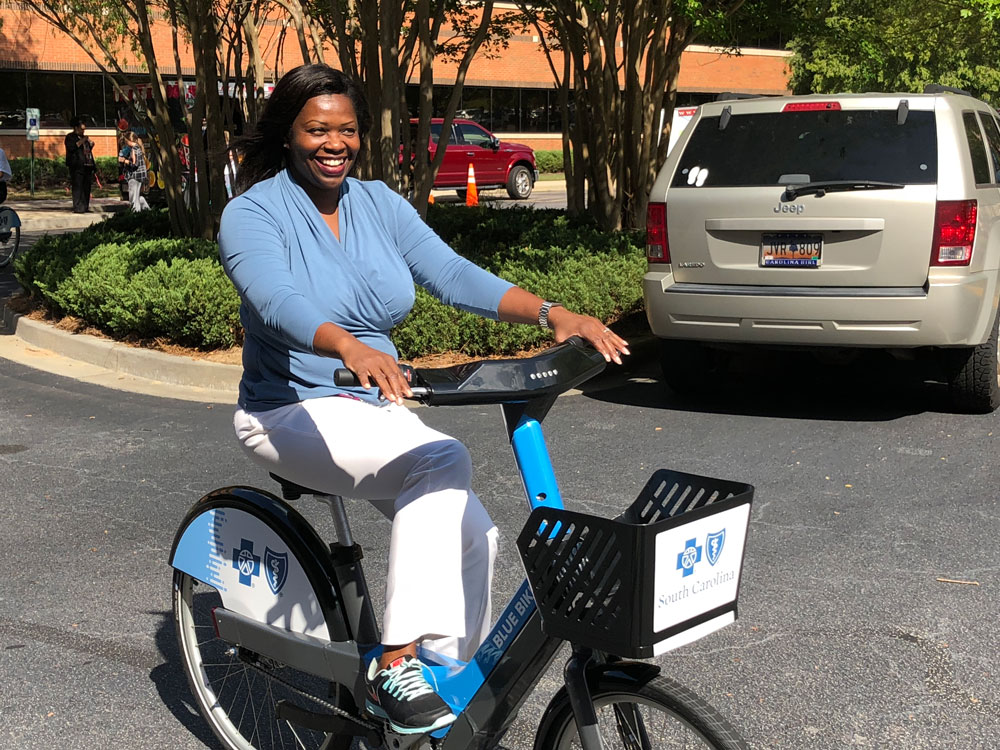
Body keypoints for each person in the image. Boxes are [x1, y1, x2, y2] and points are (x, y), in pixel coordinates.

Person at [218, 63, 629, 736]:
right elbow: (275, 298)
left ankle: (434, 706)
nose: (334, 143)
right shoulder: (252, 214)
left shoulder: (377, 203)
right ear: (288, 134)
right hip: (287, 410)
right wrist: (347, 345)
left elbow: (450, 273)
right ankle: (396, 665)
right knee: (442, 461)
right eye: (317, 128)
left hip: (370, 404)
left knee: (476, 537)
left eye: (346, 129)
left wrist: (552, 312)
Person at [65, 117, 96, 213]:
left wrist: (91, 144)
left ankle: (85, 206)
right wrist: (82, 141)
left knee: (86, 187)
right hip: (76, 166)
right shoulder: (70, 137)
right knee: (78, 187)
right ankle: (78, 207)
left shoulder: (84, 138)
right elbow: (72, 148)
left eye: (84, 129)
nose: (83, 131)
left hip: (87, 165)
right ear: (76, 128)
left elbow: (87, 151)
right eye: (81, 129)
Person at [117, 131, 150, 212]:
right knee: (137, 195)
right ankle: (146, 209)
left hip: (134, 176)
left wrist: (124, 160)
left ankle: (136, 213)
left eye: (126, 141)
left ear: (129, 140)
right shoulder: (138, 148)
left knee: (133, 198)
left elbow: (134, 164)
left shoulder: (133, 150)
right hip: (140, 176)